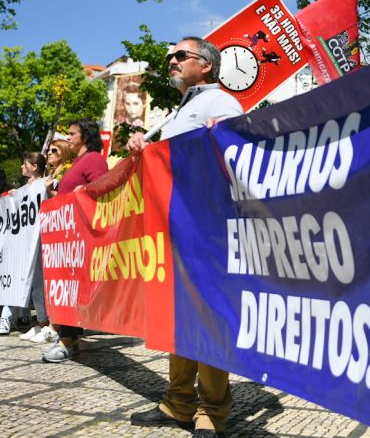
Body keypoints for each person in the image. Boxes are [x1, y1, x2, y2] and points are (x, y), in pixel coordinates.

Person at [127, 37, 243, 438]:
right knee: (180, 315)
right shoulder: (181, 110)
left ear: (206, 65)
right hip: (175, 227)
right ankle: (178, 402)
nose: (171, 61)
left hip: (206, 228)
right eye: (169, 57)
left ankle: (212, 409)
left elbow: (234, 151)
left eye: (180, 55)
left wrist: (224, 135)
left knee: (208, 316)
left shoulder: (220, 103)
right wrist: (145, 146)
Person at [41, 119, 109, 363]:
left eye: (72, 133)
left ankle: (67, 342)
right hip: (67, 237)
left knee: (73, 290)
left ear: (86, 136)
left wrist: (85, 191)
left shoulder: (94, 159)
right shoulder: (78, 162)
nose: (68, 137)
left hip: (80, 236)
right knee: (67, 290)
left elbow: (102, 187)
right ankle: (68, 338)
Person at [14, 152, 59, 344]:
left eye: (25, 164)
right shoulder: (24, 189)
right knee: (33, 283)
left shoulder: (46, 183)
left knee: (40, 282)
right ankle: (40, 322)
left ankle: (46, 324)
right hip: (28, 241)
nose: (22, 168)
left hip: (42, 239)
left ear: (34, 167)